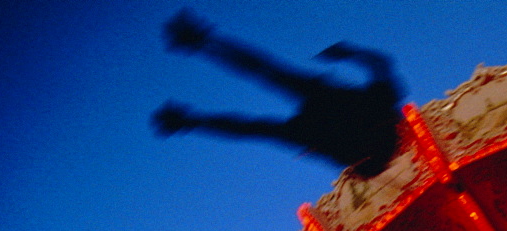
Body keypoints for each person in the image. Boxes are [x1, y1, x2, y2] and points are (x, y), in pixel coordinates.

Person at [153, 10, 405, 178]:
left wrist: (348, 53)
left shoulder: (368, 119)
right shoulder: (377, 108)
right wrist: (348, 53)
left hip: (334, 124)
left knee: (268, 81)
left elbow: (380, 64)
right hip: (338, 119)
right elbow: (380, 64)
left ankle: (203, 43)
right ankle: (203, 44)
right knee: (268, 79)